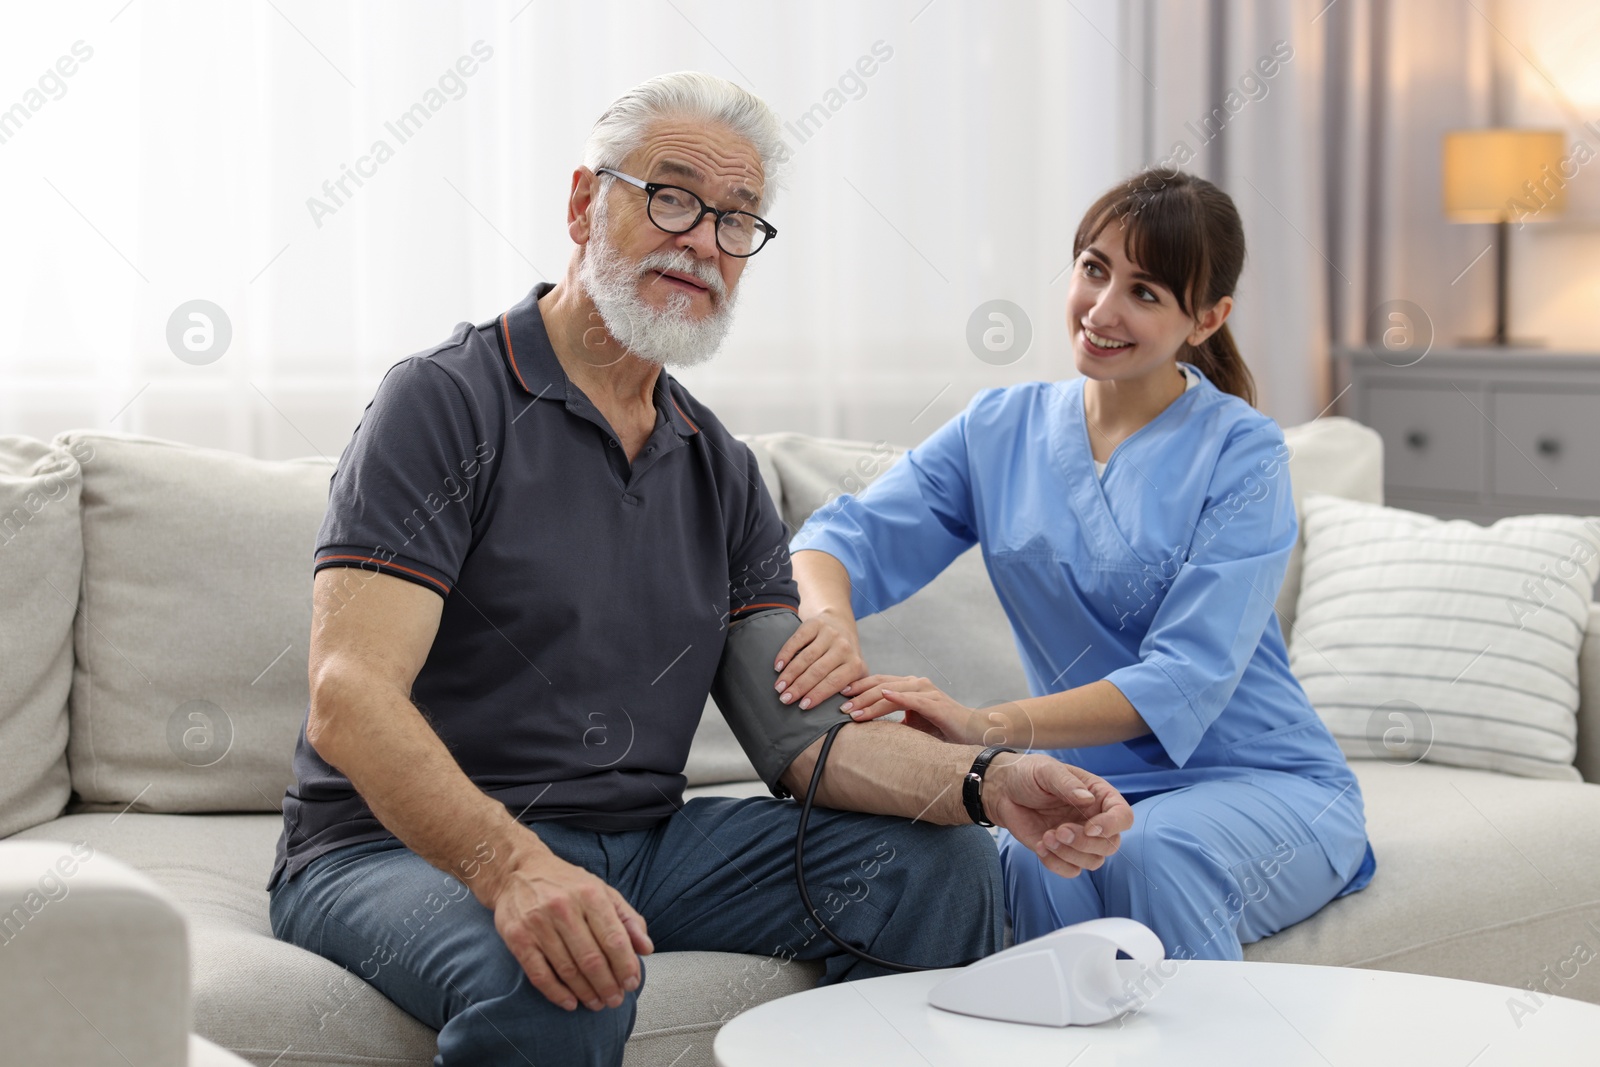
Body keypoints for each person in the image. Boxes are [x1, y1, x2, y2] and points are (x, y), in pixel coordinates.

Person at [265, 71, 1134, 1067]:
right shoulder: (444, 402)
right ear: (585, 202)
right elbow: (347, 694)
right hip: (390, 849)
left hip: (642, 841)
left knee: (940, 866)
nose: (702, 242)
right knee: (565, 972)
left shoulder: (717, 464)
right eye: (672, 197)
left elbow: (801, 743)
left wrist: (989, 779)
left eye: (736, 220)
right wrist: (512, 865)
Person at [779, 168, 1377, 963]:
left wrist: (987, 727)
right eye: (1094, 269)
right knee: (1033, 861)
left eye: (1146, 292)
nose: (1101, 310)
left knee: (1153, 853)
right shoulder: (1000, 428)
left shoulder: (1243, 451)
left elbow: (1186, 677)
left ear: (1208, 318)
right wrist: (830, 627)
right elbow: (838, 538)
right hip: (1083, 789)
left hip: (1263, 779)